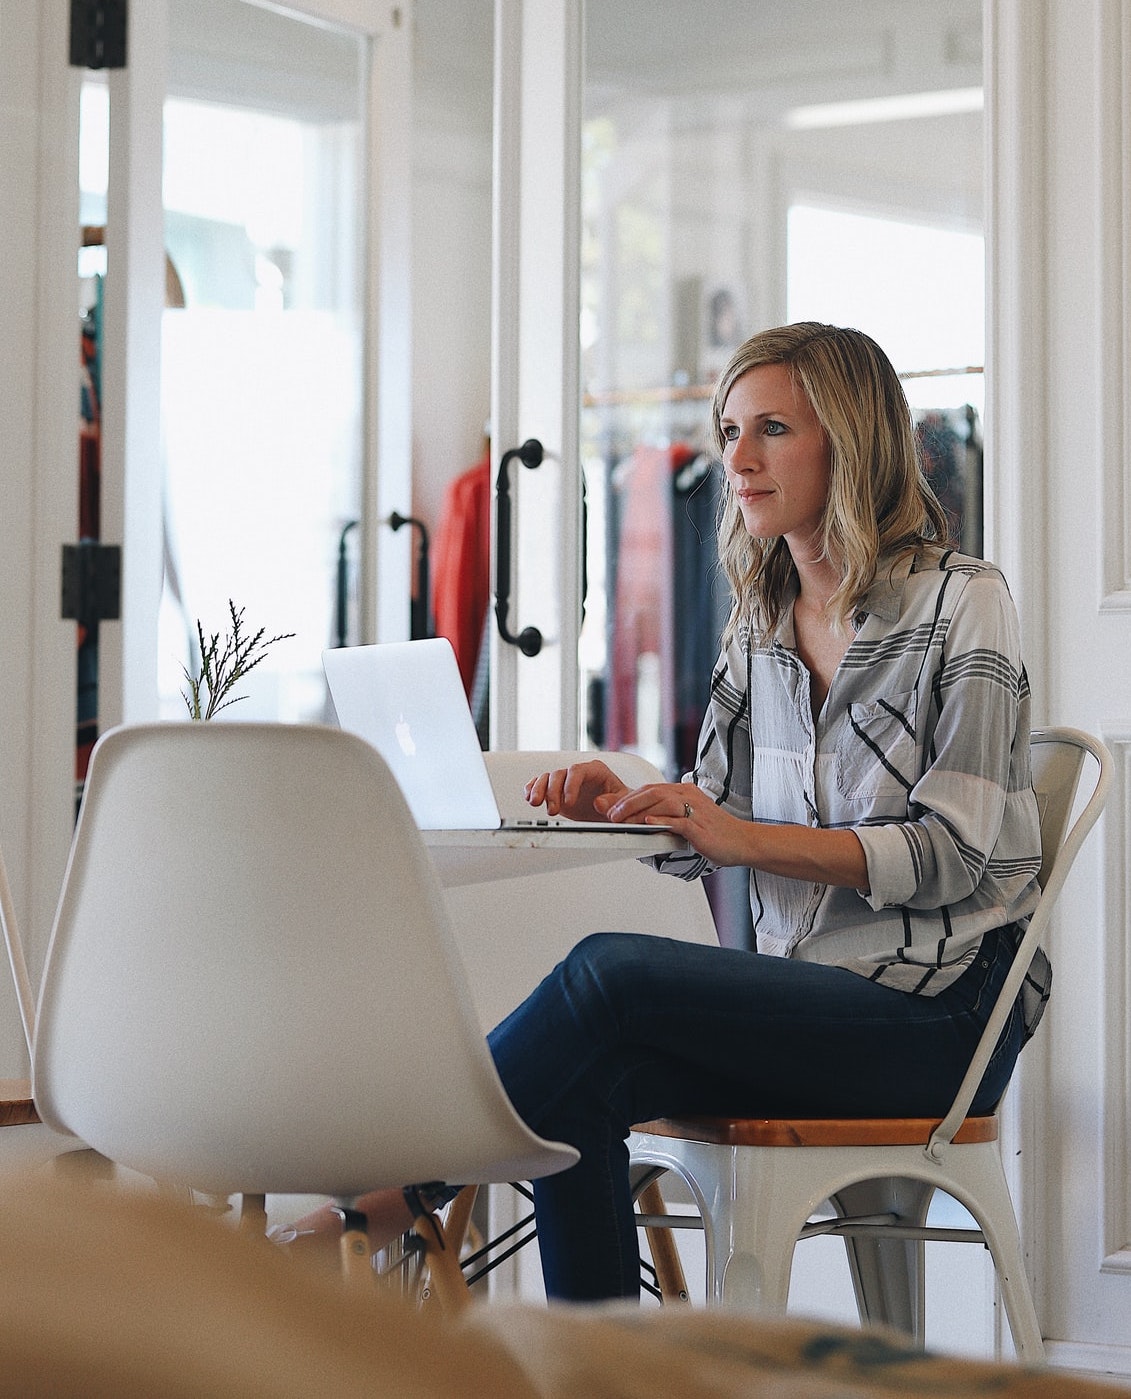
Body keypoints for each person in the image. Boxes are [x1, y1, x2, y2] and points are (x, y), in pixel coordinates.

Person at [281, 321, 1044, 1304]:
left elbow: (953, 854)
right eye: (729, 430)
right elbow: (708, 829)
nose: (736, 456)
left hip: (939, 1016)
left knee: (611, 972)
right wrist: (632, 805)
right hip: (807, 1002)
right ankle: (603, 1369)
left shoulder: (963, 602)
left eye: (772, 428)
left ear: (850, 443)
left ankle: (389, 1192)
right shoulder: (758, 620)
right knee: (578, 1087)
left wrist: (734, 833)